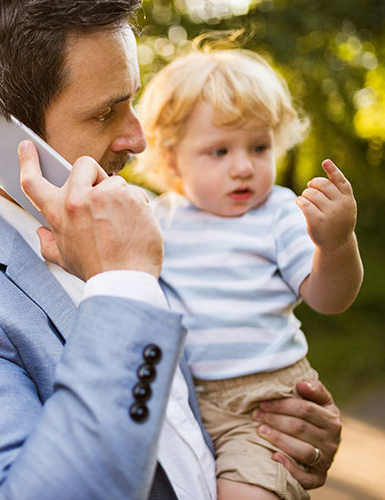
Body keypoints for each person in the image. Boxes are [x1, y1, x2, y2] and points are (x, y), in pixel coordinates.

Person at [0, 2, 343, 499]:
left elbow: (184, 419)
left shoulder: (123, 218)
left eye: (132, 103)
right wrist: (125, 284)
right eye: (104, 113)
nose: (138, 138)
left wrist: (283, 439)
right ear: (7, 135)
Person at [137, 42, 362, 500]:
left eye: (259, 147)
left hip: (265, 400)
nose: (243, 167)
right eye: (219, 151)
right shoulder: (157, 220)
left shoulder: (278, 213)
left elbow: (329, 296)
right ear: (171, 158)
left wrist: (335, 244)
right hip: (184, 400)